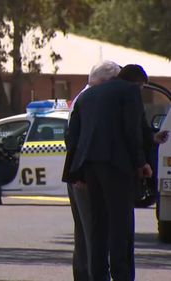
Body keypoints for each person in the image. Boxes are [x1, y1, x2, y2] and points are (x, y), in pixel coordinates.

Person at [65, 64, 151, 281]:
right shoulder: (129, 91)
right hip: (116, 165)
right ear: (136, 83)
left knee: (98, 226)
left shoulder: (85, 96)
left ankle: (99, 275)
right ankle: (122, 275)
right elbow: (131, 130)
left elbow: (72, 137)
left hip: (90, 167)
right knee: (121, 226)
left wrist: (77, 173)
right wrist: (141, 162)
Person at [62, 60, 121, 281]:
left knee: (84, 233)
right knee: (92, 231)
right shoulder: (90, 100)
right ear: (106, 81)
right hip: (84, 175)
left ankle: (84, 275)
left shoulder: (82, 97)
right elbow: (78, 141)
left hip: (78, 173)